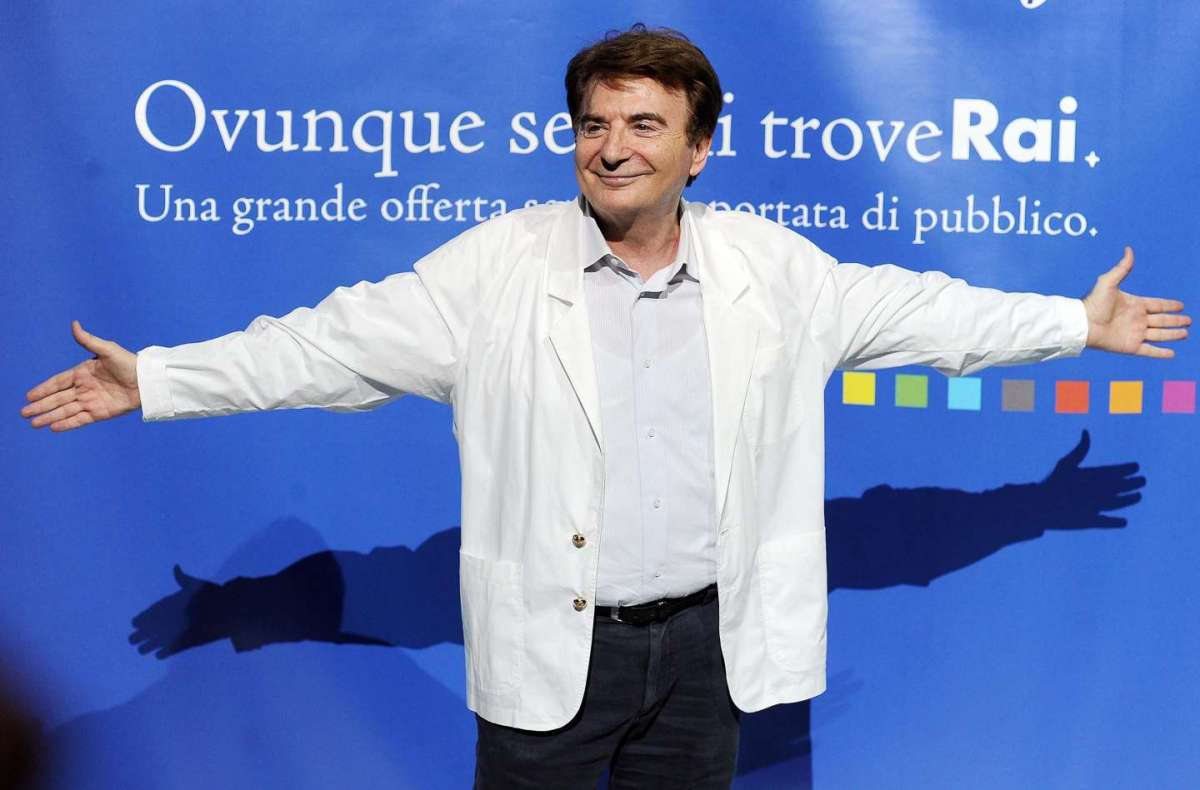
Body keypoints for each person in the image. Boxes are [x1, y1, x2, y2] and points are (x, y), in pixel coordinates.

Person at [19, 24, 1190, 790]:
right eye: (594, 124)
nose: (612, 149)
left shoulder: (775, 271)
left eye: (643, 125)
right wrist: (157, 377)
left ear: (699, 149)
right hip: (555, 648)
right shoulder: (494, 269)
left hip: (706, 652)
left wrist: (1073, 325)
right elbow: (326, 347)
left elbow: (928, 312)